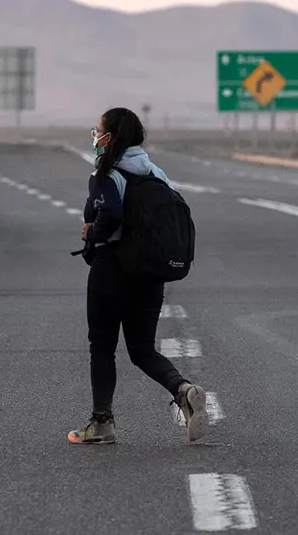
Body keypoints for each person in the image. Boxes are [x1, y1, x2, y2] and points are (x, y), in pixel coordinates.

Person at [68, 107, 209, 445]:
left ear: (111, 137)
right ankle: (183, 389)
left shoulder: (106, 174)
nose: (95, 137)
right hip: (149, 275)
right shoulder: (156, 173)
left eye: (98, 131)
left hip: (111, 271)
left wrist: (91, 231)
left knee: (102, 347)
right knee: (143, 349)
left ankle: (102, 422)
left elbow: (111, 217)